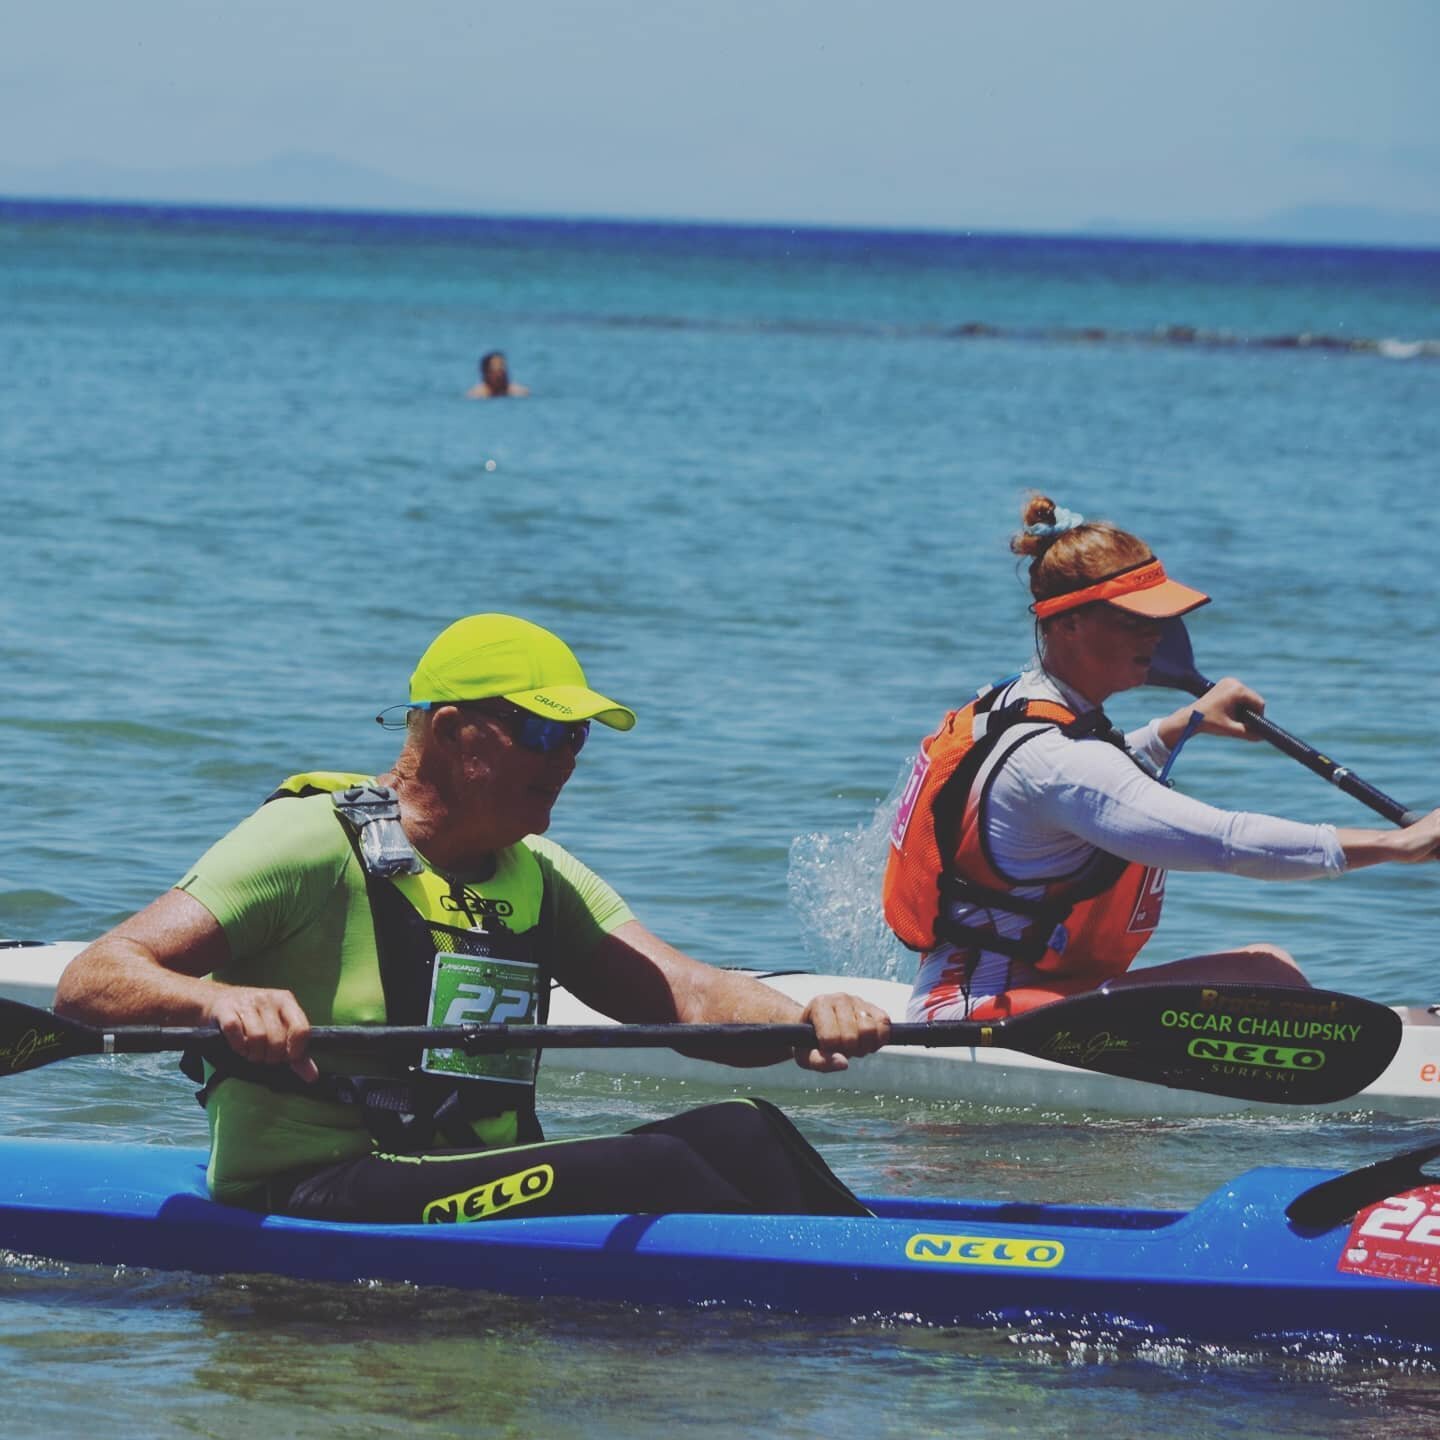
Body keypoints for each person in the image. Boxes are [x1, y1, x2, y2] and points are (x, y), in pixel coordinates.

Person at [56, 614, 889, 1223]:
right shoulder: (306, 841)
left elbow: (686, 993)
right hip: (313, 1188)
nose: (566, 759)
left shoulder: (539, 874)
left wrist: (801, 1019)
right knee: (661, 1167)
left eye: (578, 739)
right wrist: (215, 1003)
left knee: (746, 1134)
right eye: (542, 730)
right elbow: (93, 979)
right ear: (456, 733)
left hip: (471, 1178)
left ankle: (882, 1292)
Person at [884, 496, 1440, 1025]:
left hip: (1008, 995)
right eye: (1133, 619)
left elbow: (1086, 780)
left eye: (1159, 620)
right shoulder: (1059, 764)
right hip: (981, 1016)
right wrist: (1397, 845)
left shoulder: (1016, 701)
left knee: (1267, 966)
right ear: (1069, 622)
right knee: (1271, 976)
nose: (1155, 635)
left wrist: (1178, 726)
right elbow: (1223, 840)